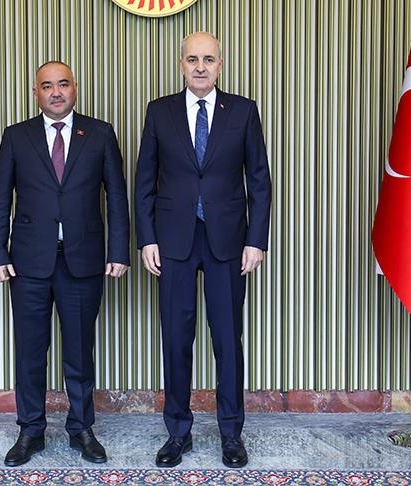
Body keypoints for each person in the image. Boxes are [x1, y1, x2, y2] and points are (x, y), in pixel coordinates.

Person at [134, 32, 272, 469]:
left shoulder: (243, 111)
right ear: (181, 64)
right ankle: (178, 432)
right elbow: (144, 181)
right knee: (177, 338)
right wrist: (147, 238)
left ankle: (231, 433)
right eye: (192, 59)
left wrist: (256, 240)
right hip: (173, 240)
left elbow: (260, 181)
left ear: (220, 65)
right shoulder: (160, 111)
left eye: (208, 59)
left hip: (227, 241)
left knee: (227, 339)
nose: (200, 66)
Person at [0, 61, 130, 467]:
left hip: (83, 262)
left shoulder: (99, 134)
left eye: (63, 84)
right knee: (30, 352)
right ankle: (30, 430)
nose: (56, 92)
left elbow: (117, 197)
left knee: (80, 352)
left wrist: (118, 251)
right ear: (36, 93)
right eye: (47, 86)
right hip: (28, 263)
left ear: (75, 88)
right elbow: (0, 199)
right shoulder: (17, 136)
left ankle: (81, 428)